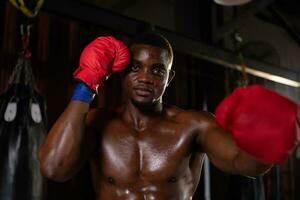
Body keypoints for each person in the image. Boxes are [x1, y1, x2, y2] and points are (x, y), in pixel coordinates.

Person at [39, 33, 296, 200]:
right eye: (135, 68)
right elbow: (53, 168)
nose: (145, 78)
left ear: (169, 78)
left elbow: (243, 163)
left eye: (157, 70)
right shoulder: (97, 123)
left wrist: (266, 140)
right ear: (120, 73)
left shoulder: (194, 126)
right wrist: (86, 85)